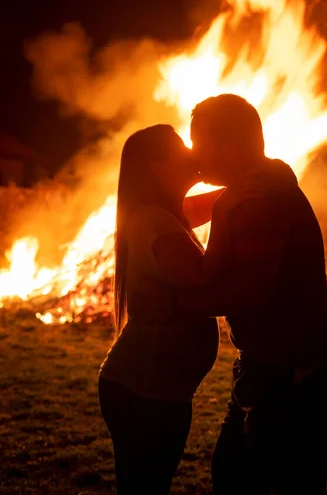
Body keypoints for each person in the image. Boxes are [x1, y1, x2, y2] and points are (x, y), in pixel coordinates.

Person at [131, 95, 327, 494]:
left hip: (291, 364)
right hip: (276, 361)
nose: (195, 153)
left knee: (256, 476)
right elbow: (182, 213)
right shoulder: (252, 190)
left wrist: (173, 305)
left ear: (228, 147)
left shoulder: (263, 200)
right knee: (244, 470)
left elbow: (248, 292)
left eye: (200, 141)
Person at [98, 124, 265, 495]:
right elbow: (202, 275)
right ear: (159, 166)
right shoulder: (153, 219)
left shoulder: (166, 211)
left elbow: (224, 196)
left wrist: (259, 179)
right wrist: (223, 211)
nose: (192, 151)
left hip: (158, 391)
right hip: (143, 391)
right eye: (181, 147)